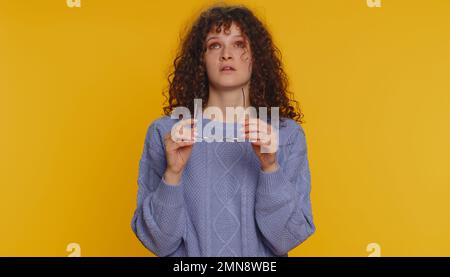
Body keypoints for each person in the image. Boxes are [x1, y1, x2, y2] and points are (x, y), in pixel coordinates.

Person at [131, 4, 315, 257]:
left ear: (256, 57)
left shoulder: (286, 135)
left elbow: (288, 239)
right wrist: (172, 174)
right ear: (201, 58)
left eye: (239, 44)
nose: (226, 54)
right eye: (215, 45)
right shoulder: (167, 133)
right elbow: (158, 243)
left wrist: (270, 167)